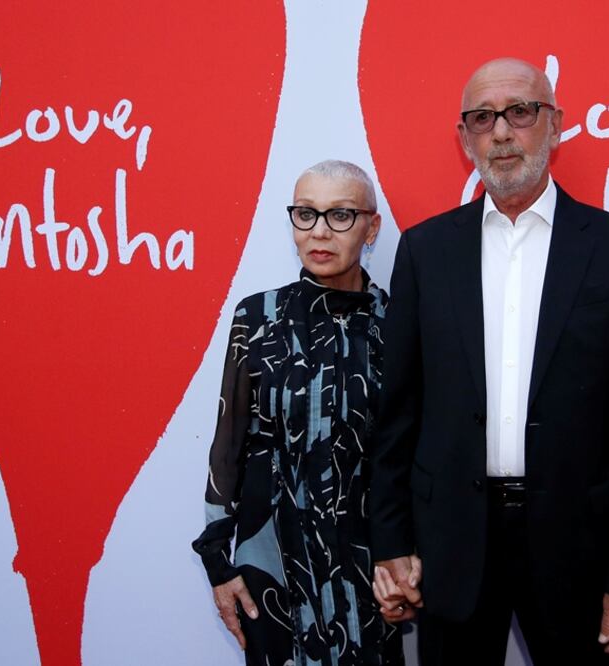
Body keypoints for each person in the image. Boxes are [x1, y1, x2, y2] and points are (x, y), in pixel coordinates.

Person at [368, 58, 609, 665]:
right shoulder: (426, 252)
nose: (501, 132)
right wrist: (390, 540)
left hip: (576, 551)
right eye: (482, 118)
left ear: (554, 126)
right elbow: (397, 413)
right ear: (464, 138)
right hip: (450, 546)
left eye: (520, 112)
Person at [192, 160, 403, 665]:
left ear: (372, 227)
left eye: (341, 215)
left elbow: (411, 454)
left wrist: (407, 558)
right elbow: (228, 447)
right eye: (305, 215)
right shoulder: (257, 316)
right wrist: (219, 564)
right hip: (269, 567)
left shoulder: (397, 326)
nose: (320, 232)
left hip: (369, 569)